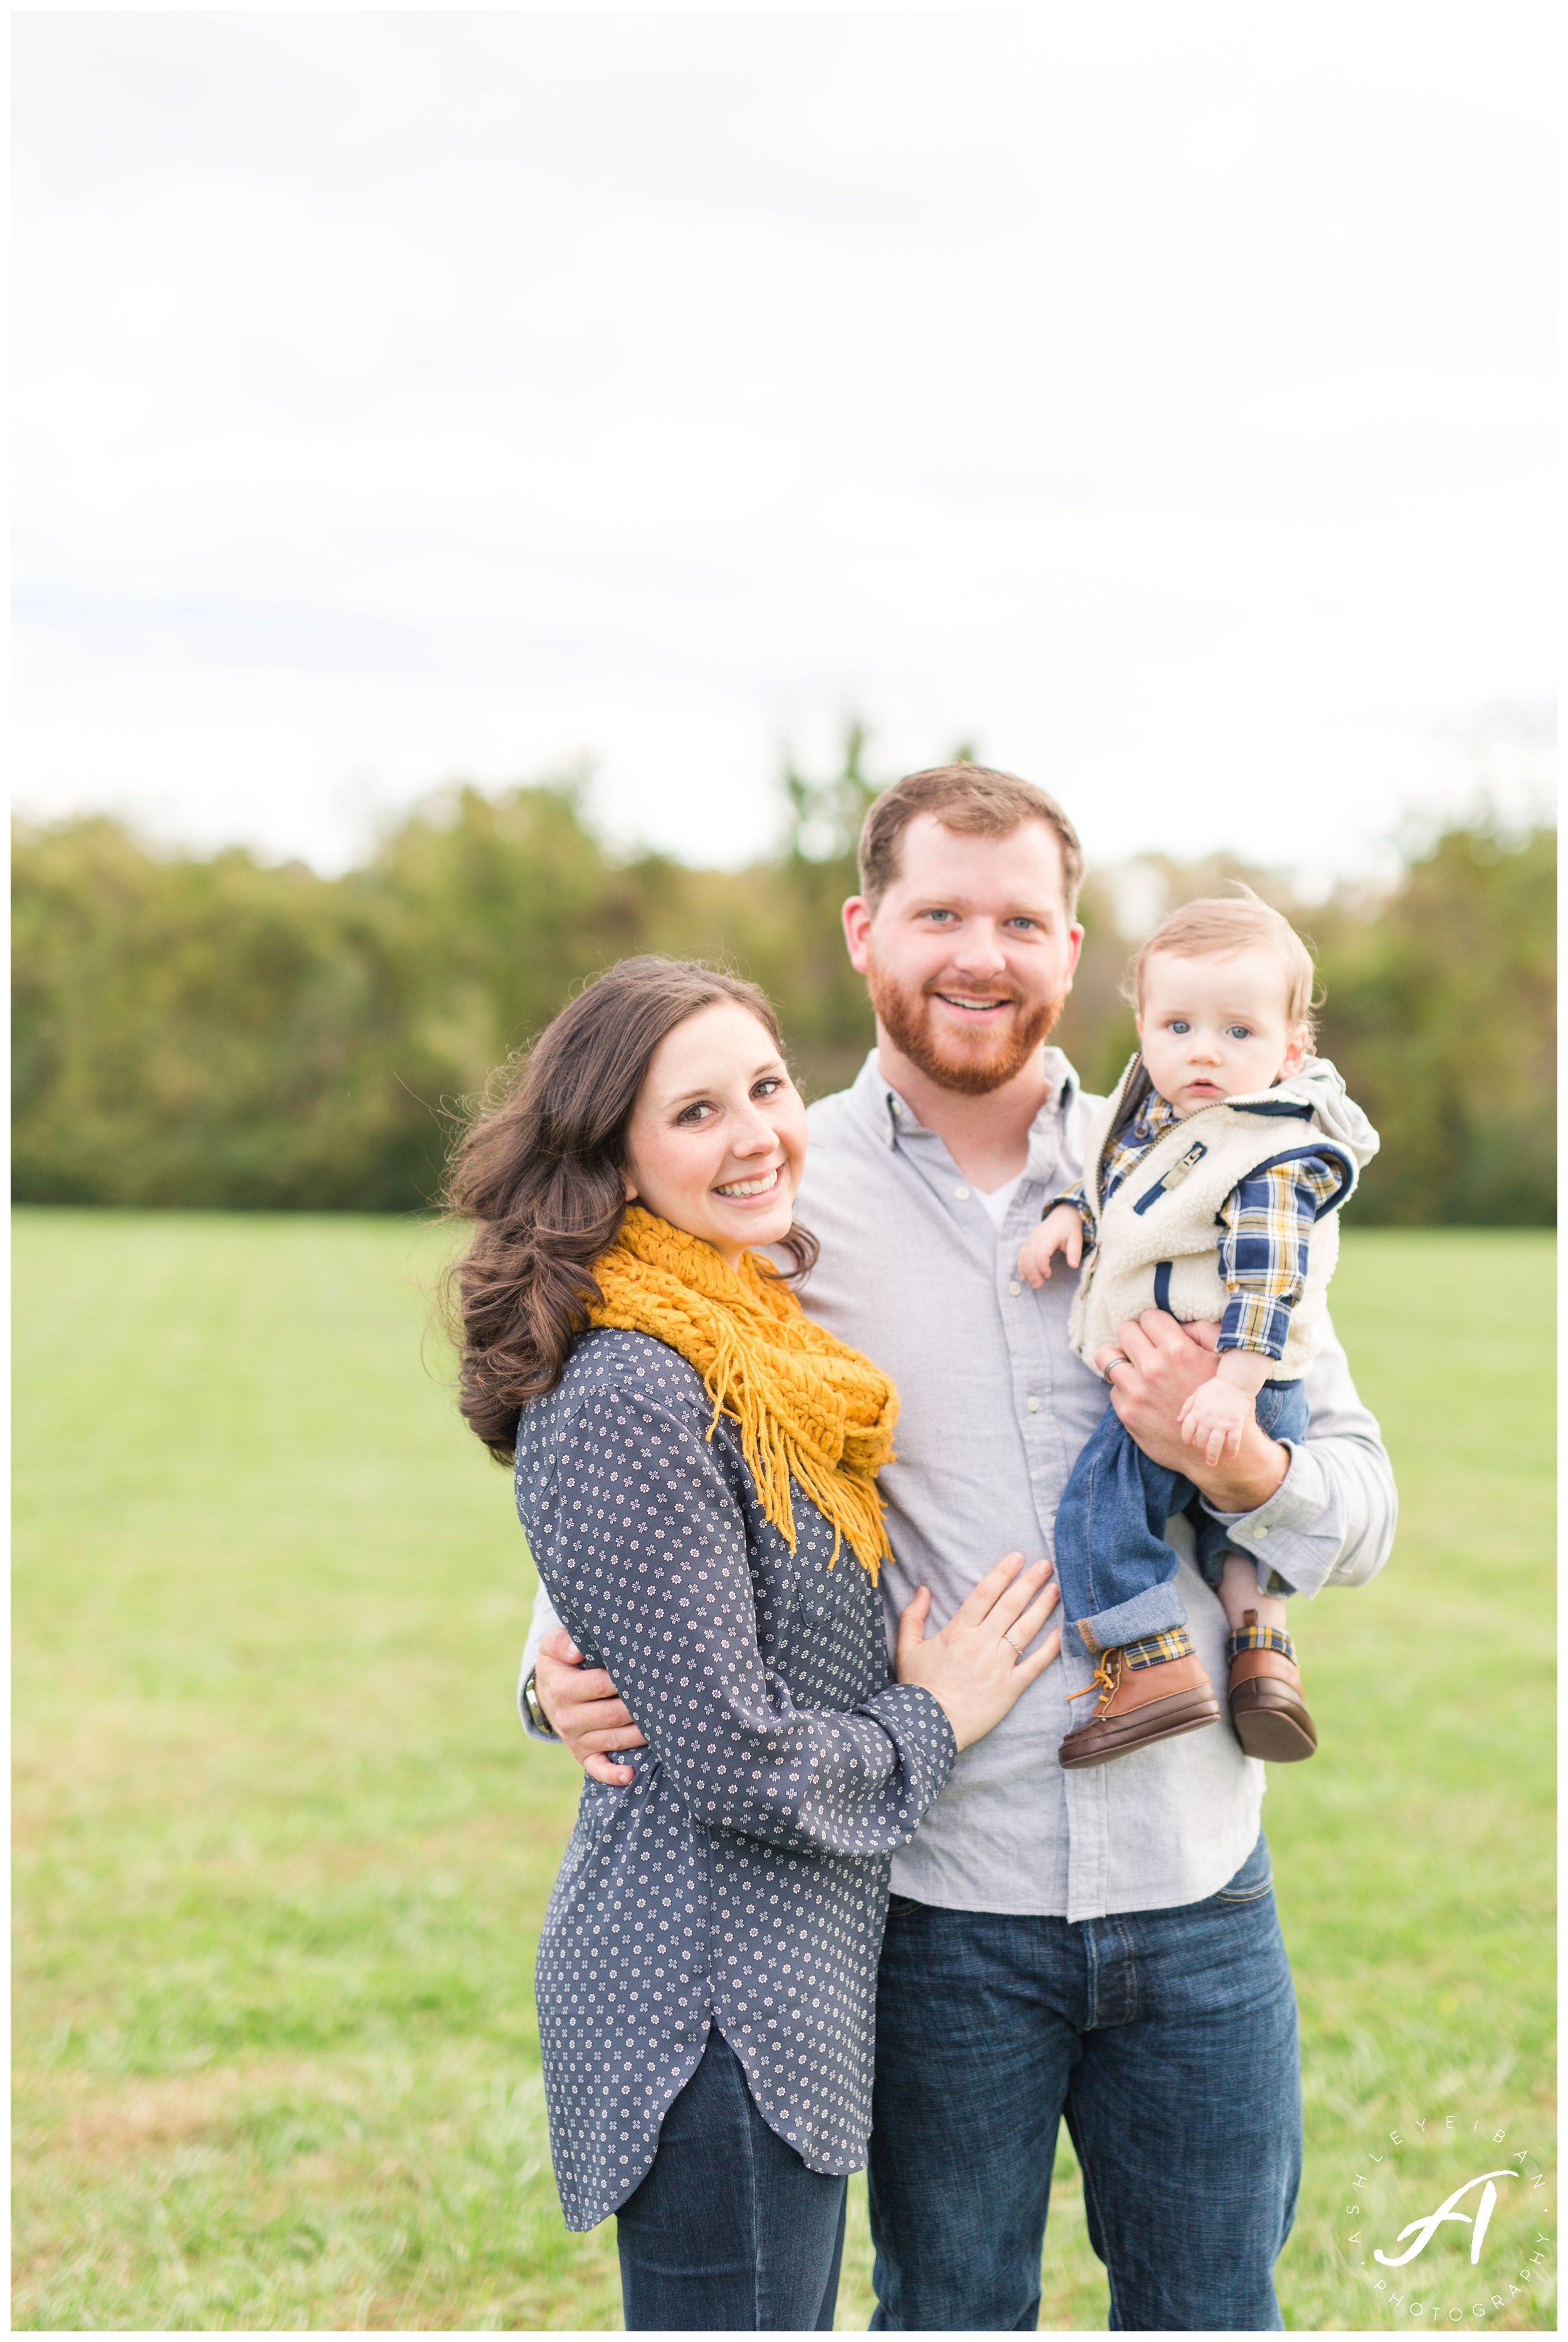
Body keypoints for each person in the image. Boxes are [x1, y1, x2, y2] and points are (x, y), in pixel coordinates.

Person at [523, 765, 1397, 2331]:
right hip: (934, 1906)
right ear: (864, 931)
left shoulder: (1206, 1167)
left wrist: (1241, 1458)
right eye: (937, 913)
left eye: (1017, 920)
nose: (976, 954)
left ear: (1075, 952)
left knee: (1215, 2307)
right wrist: (545, 1663)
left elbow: (1357, 1503)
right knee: (947, 2310)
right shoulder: (776, 1188)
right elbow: (658, 1438)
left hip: (1197, 1885)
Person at [445, 955, 1061, 2332]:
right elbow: (731, 1757)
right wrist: (936, 1711)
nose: (755, 1135)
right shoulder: (632, 1379)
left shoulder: (750, 1342)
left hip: (782, 1984)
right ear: (611, 1155)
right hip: (703, 2004)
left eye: (767, 1088)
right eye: (695, 1112)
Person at [1017, 891, 1379, 1769]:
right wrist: (1072, 1211)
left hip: (1222, 1386)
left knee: (1101, 1513)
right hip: (1223, 1389)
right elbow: (1129, 1188)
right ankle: (1264, 1658)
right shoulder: (1162, 1119)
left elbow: (1267, 1279)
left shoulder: (1268, 1152)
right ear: (1142, 1026)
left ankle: (1148, 1666)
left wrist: (1230, 1388)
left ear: (1293, 1050)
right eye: (1178, 1025)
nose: (1204, 1051)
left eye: (1238, 1033)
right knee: (1232, 1542)